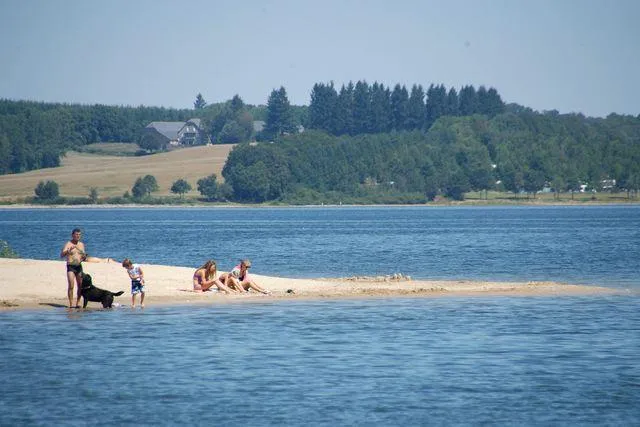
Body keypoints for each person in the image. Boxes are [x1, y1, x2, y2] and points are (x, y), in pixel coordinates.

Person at [60, 228, 117, 309]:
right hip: (71, 266)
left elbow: (83, 257)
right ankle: (70, 303)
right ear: (72, 235)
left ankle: (77, 303)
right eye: (76, 234)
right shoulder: (68, 244)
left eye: (79, 235)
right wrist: (68, 251)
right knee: (71, 285)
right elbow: (61, 255)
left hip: (79, 266)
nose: (78, 236)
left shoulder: (81, 244)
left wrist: (84, 257)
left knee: (80, 286)